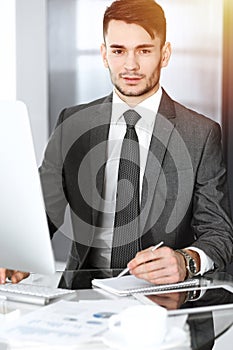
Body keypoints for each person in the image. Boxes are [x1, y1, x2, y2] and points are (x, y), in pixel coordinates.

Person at [1, 0, 233, 286]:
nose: (131, 65)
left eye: (144, 50)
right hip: (81, 292)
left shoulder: (201, 133)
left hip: (163, 297)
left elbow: (219, 233)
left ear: (165, 53)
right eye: (118, 51)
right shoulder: (72, 124)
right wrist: (15, 255)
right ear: (104, 54)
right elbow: (43, 211)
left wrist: (186, 261)